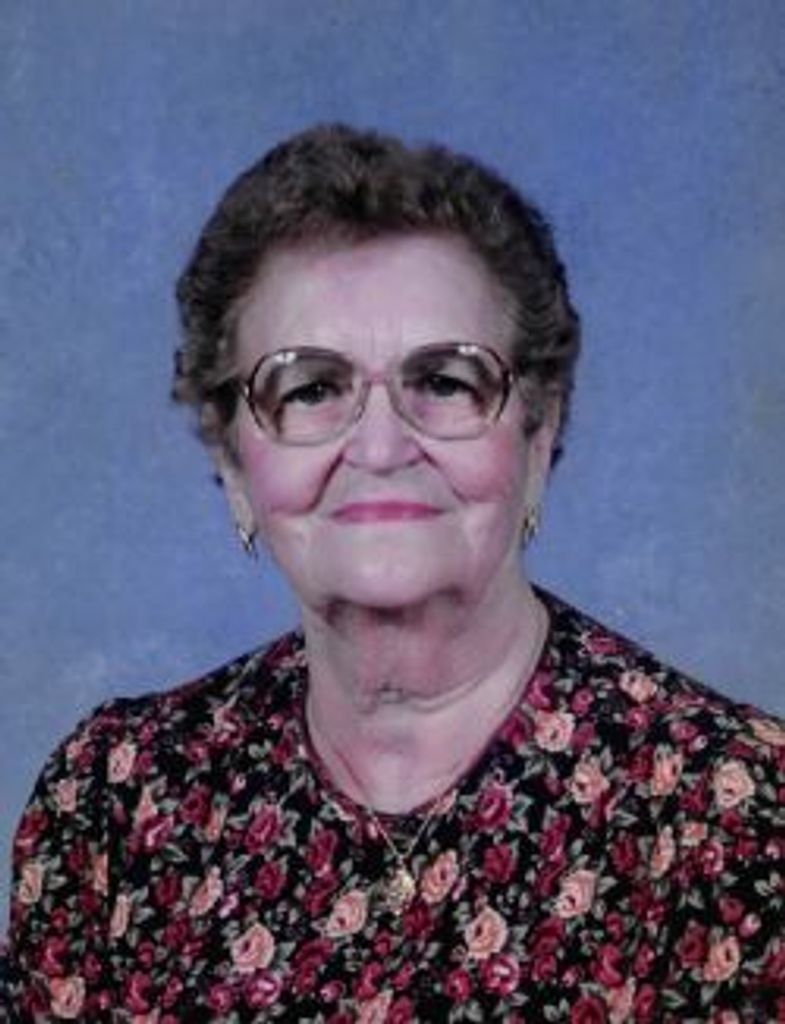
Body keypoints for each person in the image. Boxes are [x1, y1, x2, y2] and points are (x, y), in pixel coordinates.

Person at [2, 124, 783, 1023]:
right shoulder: (115, 799)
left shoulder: (738, 817)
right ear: (233, 463)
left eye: (445, 382)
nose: (379, 447)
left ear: (536, 437)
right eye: (308, 388)